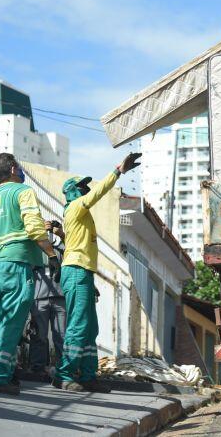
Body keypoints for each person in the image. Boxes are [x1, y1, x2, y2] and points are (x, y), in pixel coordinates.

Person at [52, 152, 142, 392]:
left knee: (90, 328)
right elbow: (99, 192)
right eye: (81, 187)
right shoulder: (75, 207)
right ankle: (64, 374)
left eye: (85, 187)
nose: (84, 190)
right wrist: (117, 171)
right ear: (72, 191)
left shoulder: (80, 215)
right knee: (79, 325)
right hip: (76, 270)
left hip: (83, 272)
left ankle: (89, 375)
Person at [0, 153, 57, 395]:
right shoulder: (23, 192)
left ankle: (6, 374)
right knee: (12, 323)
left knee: (0, 323)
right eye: (19, 167)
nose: (21, 171)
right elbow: (33, 227)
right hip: (16, 264)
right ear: (13, 169)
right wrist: (52, 256)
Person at [27, 220, 67, 377]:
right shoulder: (35, 247)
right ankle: (37, 367)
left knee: (61, 335)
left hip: (60, 296)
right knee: (39, 334)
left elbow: (74, 252)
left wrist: (61, 233)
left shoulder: (62, 247)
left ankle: (64, 369)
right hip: (40, 296)